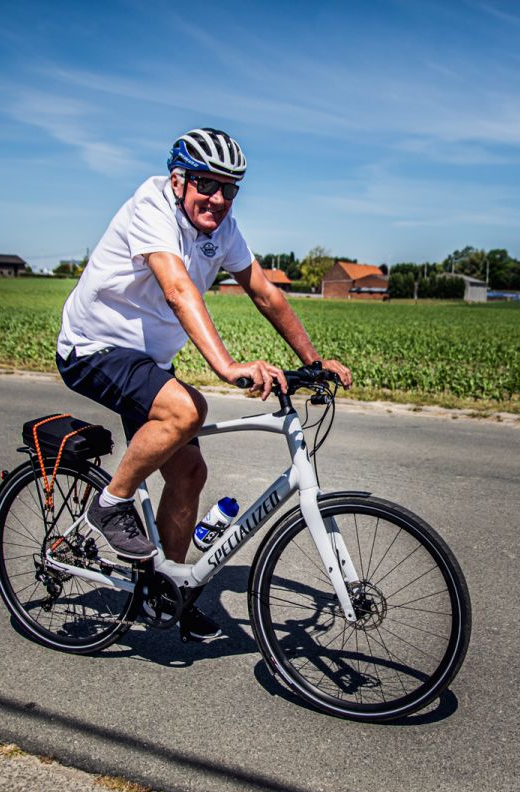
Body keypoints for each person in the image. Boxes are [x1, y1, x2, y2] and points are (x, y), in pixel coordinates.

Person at [55, 128, 352, 641]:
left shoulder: (224, 229)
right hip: (93, 347)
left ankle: (167, 590)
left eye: (229, 188)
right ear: (179, 181)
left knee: (189, 472)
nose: (217, 198)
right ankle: (109, 504)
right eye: (206, 184)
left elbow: (265, 293)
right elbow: (177, 288)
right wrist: (227, 366)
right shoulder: (151, 206)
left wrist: (314, 360)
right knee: (186, 409)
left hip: (146, 360)